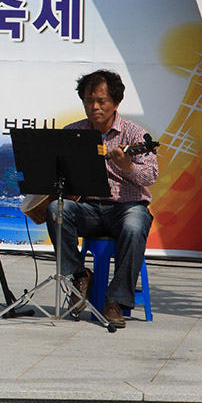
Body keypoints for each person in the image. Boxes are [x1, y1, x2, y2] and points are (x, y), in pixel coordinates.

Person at [46, 69, 158, 329]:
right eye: (88, 101)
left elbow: (151, 175)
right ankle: (79, 276)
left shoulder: (134, 134)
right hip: (88, 208)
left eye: (101, 101)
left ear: (116, 103)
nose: (94, 107)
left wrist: (128, 166)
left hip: (127, 207)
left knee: (134, 225)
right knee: (56, 209)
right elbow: (56, 173)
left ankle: (115, 301)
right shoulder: (73, 132)